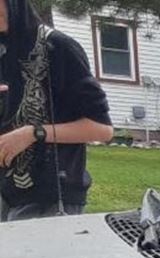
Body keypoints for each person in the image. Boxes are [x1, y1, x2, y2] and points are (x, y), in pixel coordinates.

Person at [0, 0, 113, 221]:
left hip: (50, 198)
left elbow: (102, 130)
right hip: (7, 195)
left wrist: (33, 134)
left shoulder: (58, 47)